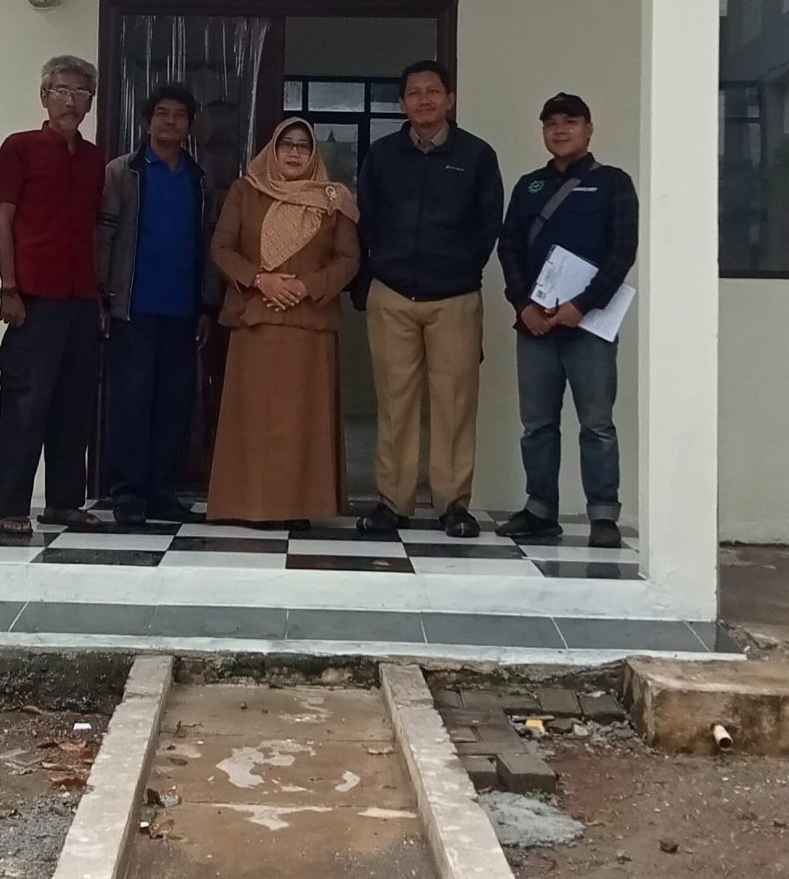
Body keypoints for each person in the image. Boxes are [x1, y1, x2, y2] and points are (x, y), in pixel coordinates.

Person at [355, 59, 502, 540]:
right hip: (392, 292)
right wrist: (379, 269)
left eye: (433, 91)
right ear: (402, 103)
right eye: (414, 93)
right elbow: (367, 219)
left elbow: (489, 224)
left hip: (454, 298)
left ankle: (453, 506)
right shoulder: (382, 155)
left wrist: (462, 269)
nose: (424, 100)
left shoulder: (476, 155)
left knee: (454, 403)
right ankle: (392, 503)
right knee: (394, 402)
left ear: (449, 99)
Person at [497, 93, 639, 549]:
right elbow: (508, 248)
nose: (560, 130)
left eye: (570, 122)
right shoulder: (529, 186)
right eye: (551, 123)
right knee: (537, 424)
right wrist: (522, 305)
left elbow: (622, 252)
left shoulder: (613, 183)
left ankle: (603, 515)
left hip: (588, 326)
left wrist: (583, 305)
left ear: (589, 129)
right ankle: (540, 510)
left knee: (597, 424)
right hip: (535, 325)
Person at [208, 118, 360, 526]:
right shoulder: (246, 191)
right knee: (254, 419)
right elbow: (222, 249)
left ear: (315, 154)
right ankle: (247, 506)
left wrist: (306, 286)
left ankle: (299, 507)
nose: (294, 153)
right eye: (286, 145)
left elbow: (349, 259)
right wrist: (262, 280)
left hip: (310, 323)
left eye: (303, 146)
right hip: (256, 319)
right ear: (272, 150)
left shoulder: (333, 199)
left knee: (300, 422)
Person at [0, 55, 107, 537]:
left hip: (81, 300)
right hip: (34, 298)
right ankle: (11, 506)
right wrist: (9, 287)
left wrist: (99, 300)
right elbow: (3, 218)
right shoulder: (19, 148)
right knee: (25, 403)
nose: (71, 101)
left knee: (74, 406)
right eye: (62, 90)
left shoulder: (94, 159)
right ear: (44, 96)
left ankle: (64, 502)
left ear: (90, 103)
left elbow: (93, 229)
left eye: (81, 93)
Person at [96, 81, 220, 527]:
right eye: (162, 113)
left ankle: (164, 493)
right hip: (131, 307)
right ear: (147, 122)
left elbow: (209, 246)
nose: (171, 121)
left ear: (190, 126)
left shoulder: (199, 179)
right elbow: (104, 236)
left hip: (182, 311)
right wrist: (101, 296)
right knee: (131, 403)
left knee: (173, 406)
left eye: (180, 115)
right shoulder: (122, 172)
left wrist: (207, 306)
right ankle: (128, 494)